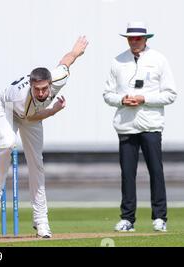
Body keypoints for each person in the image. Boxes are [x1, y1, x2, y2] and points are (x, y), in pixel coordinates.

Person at [0, 36, 88, 238]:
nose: (41, 93)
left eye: (44, 89)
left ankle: (41, 221)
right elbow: (34, 115)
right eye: (37, 89)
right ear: (31, 86)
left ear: (50, 83)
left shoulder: (58, 78)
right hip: (8, 108)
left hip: (31, 116)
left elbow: (66, 61)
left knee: (37, 165)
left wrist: (76, 51)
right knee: (8, 142)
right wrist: (55, 110)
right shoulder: (22, 97)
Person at [103, 22, 177, 232]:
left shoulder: (159, 59)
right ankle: (127, 219)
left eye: (137, 38)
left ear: (146, 39)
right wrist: (122, 99)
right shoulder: (118, 61)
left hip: (151, 124)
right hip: (126, 125)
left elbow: (170, 94)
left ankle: (160, 217)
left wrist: (144, 98)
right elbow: (107, 94)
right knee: (127, 173)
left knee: (156, 170)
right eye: (130, 38)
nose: (134, 41)